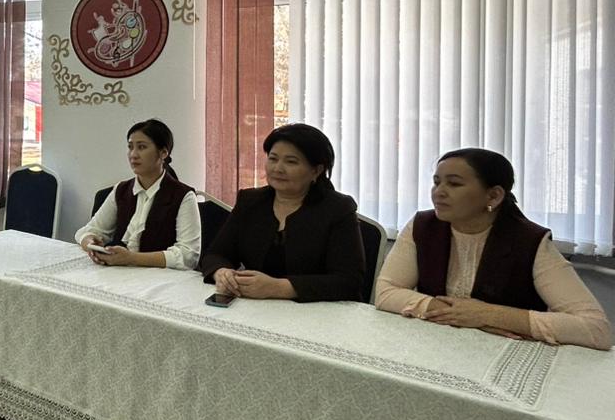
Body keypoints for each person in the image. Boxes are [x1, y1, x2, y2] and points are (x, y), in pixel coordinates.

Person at [374, 148, 611, 349]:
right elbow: (385, 292)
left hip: (508, 353)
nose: (439, 192)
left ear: (494, 196)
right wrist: (460, 315)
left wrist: (489, 315)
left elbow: (596, 329)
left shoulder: (528, 240)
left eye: (454, 183)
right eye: (437, 182)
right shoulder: (423, 225)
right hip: (437, 345)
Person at [202, 123, 365, 302]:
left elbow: (348, 281)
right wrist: (222, 272)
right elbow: (216, 254)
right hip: (256, 308)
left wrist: (279, 287)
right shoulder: (250, 201)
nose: (278, 168)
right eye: (273, 159)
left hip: (318, 315)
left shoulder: (338, 209)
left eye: (291, 162)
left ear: (316, 170)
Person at [76, 119, 202, 271]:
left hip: (161, 279)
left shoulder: (183, 195)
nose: (133, 155)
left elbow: (188, 256)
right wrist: (90, 243)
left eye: (142, 147)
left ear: (163, 153)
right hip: (120, 273)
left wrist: (131, 258)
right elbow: (88, 231)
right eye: (130, 147)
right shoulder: (121, 189)